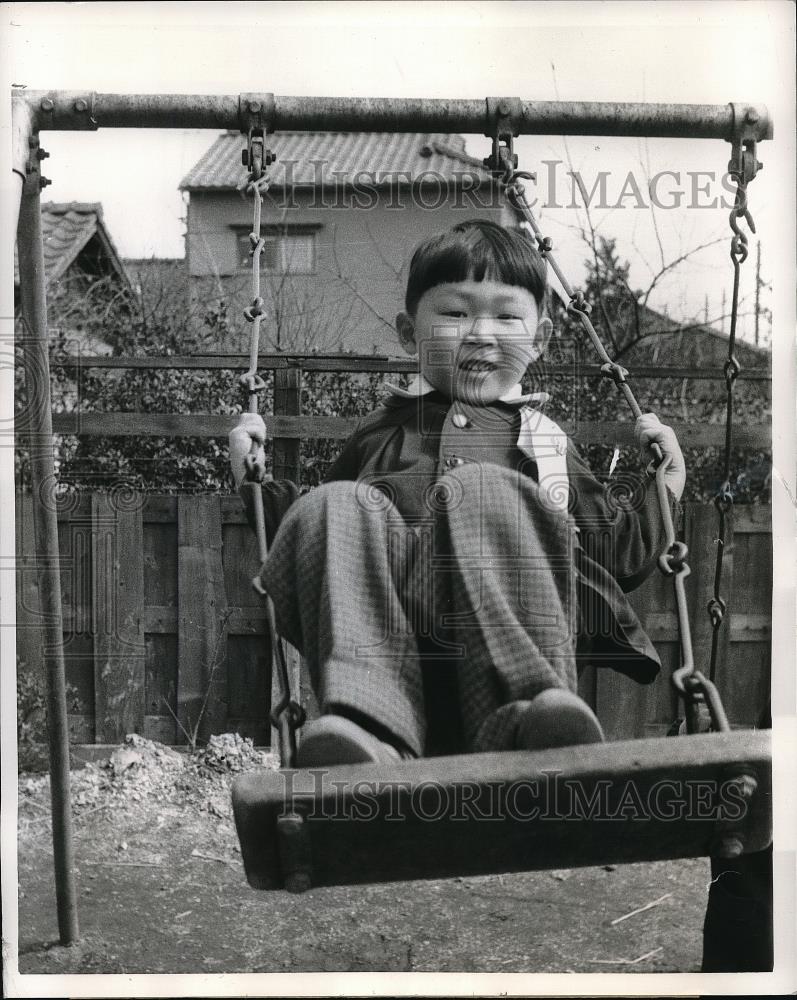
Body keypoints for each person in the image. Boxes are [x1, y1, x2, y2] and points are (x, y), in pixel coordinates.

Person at [229, 220, 686, 767]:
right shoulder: (380, 433)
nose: (481, 333)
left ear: (537, 341)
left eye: (506, 316)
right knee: (336, 505)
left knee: (484, 491)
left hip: (510, 642)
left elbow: (616, 552)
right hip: (394, 649)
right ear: (407, 332)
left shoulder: (543, 441)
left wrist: (666, 489)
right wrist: (254, 482)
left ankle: (529, 714)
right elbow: (321, 544)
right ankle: (367, 731)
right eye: (454, 312)